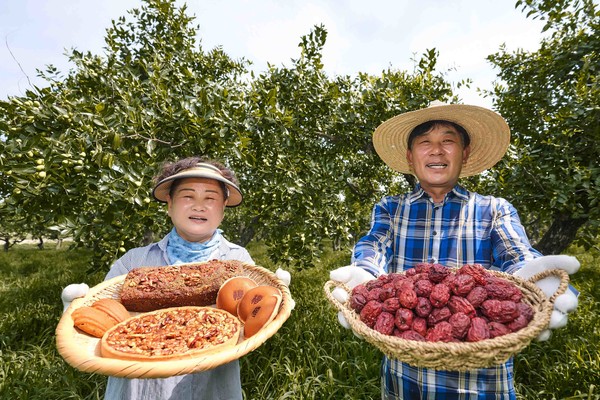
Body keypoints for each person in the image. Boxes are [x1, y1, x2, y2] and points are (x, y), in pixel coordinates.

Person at [330, 102, 580, 399]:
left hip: (482, 384)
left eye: (448, 141)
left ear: (465, 153)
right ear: (410, 158)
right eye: (425, 142)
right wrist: (365, 273)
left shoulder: (495, 209)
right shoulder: (391, 209)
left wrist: (533, 278)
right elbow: (374, 245)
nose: (437, 150)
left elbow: (517, 255)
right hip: (406, 379)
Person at [62, 156, 289, 400]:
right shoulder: (134, 263)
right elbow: (102, 320)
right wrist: (74, 312)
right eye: (188, 196)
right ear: (169, 204)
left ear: (223, 208)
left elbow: (250, 325)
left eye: (210, 198)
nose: (199, 206)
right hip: (140, 391)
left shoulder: (238, 261)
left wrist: (272, 306)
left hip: (212, 390)